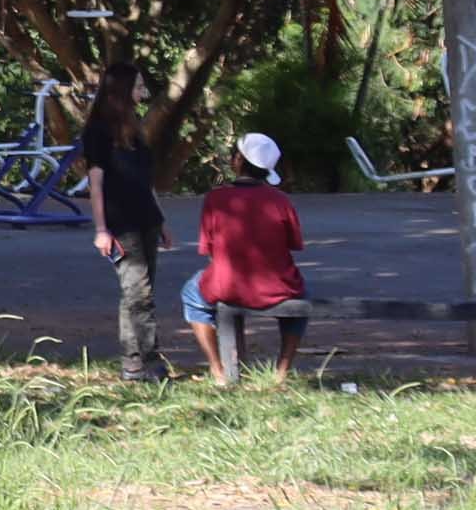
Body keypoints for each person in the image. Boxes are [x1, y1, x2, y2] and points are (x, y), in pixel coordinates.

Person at [184, 130, 308, 386]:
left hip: (226, 286)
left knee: (191, 295)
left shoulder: (215, 199)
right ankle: (281, 371)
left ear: (238, 160)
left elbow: (207, 249)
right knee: (302, 298)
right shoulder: (281, 200)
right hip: (278, 286)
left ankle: (218, 370)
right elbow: (294, 244)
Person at [78, 55, 171, 382]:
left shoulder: (135, 128)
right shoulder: (98, 131)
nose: (144, 92)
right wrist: (101, 229)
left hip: (146, 218)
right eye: (139, 86)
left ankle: (132, 364)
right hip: (120, 224)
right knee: (139, 294)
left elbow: (145, 180)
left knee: (136, 295)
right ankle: (152, 361)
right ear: (122, 89)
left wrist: (161, 220)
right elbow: (96, 182)